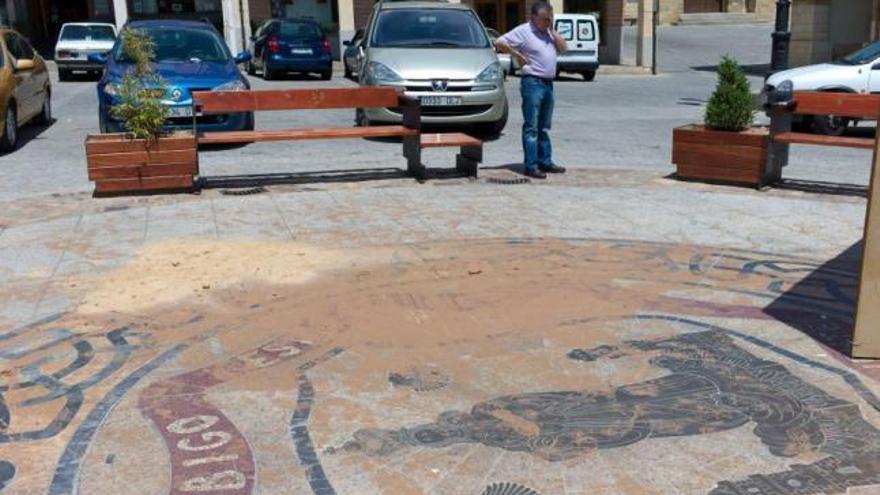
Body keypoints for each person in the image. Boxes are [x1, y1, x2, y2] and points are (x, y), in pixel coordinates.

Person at [496, 1, 568, 179]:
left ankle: (545, 161)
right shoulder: (524, 31)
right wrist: (517, 55)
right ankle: (531, 165)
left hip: (548, 84)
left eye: (550, 19)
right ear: (533, 17)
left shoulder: (549, 32)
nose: (547, 22)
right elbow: (499, 42)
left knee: (544, 126)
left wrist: (552, 31)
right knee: (532, 126)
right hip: (533, 83)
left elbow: (564, 49)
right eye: (544, 19)